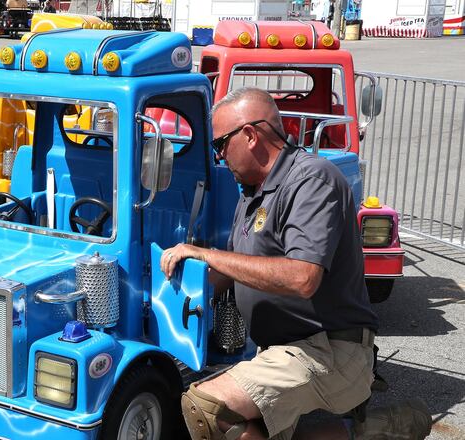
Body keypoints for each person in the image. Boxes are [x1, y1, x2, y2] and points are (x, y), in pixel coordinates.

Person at [160, 87, 433, 440]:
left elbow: (303, 277)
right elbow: (231, 271)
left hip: (330, 350)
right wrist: (169, 295)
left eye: (220, 144)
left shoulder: (312, 181)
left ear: (250, 136)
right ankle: (376, 430)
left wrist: (204, 253)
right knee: (253, 432)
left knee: (208, 407)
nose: (219, 154)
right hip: (283, 351)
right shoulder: (252, 193)